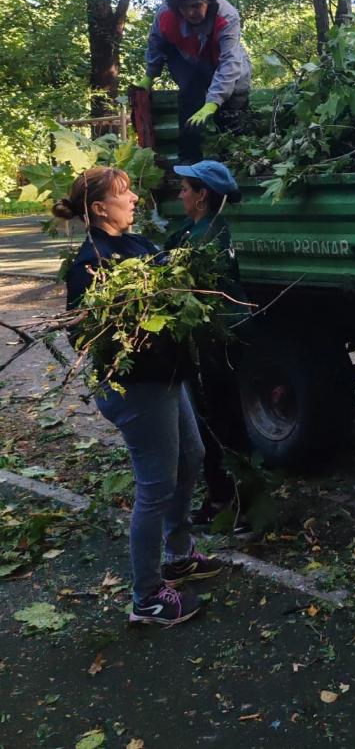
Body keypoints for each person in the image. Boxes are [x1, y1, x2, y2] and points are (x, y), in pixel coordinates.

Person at [54, 167, 222, 628]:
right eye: (123, 195)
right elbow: (85, 336)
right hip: (137, 388)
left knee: (192, 457)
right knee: (155, 487)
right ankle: (146, 597)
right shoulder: (91, 263)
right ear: (98, 208)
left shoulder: (140, 245)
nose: (134, 201)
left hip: (167, 378)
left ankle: (179, 554)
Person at [165, 160, 248, 532]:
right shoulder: (192, 230)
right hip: (204, 338)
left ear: (203, 196)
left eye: (185, 188)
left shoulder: (211, 238)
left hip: (218, 339)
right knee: (208, 417)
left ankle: (233, 500)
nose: (180, 194)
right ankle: (220, 495)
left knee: (221, 419)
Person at [140, 0, 252, 162]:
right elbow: (156, 43)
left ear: (208, 0)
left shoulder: (227, 16)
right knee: (190, 92)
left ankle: (234, 157)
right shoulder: (166, 14)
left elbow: (230, 61)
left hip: (218, 60)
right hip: (187, 60)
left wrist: (213, 102)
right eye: (183, 8)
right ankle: (189, 159)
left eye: (196, 5)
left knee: (235, 93)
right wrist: (149, 75)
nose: (190, 12)